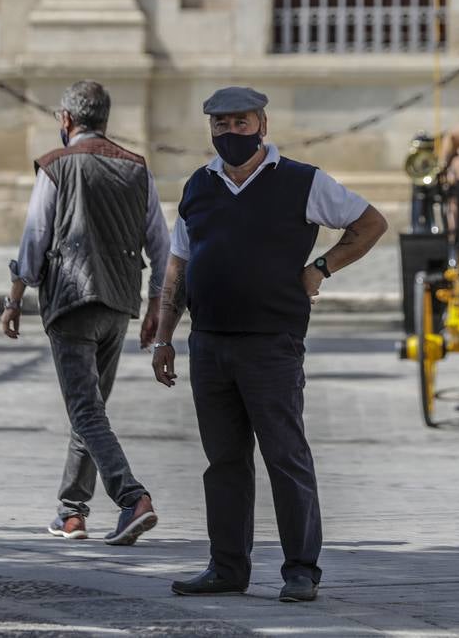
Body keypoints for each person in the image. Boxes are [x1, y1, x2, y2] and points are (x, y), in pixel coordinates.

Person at [147, 86, 387, 603]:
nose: (231, 133)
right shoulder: (198, 186)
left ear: (262, 124)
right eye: (221, 125)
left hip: (271, 344)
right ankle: (227, 567)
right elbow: (178, 267)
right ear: (209, 129)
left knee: (285, 456)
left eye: (241, 123)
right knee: (224, 462)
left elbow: (370, 223)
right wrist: (164, 336)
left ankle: (300, 570)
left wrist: (321, 268)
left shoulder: (302, 182)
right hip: (209, 346)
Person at [2, 80, 170, 546]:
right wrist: (156, 303)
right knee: (91, 409)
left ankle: (132, 497)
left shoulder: (55, 166)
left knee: (86, 410)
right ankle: (71, 512)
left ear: (66, 120)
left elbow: (34, 238)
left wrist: (15, 297)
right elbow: (162, 243)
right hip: (118, 303)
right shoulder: (137, 169)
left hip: (71, 302)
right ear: (105, 120)